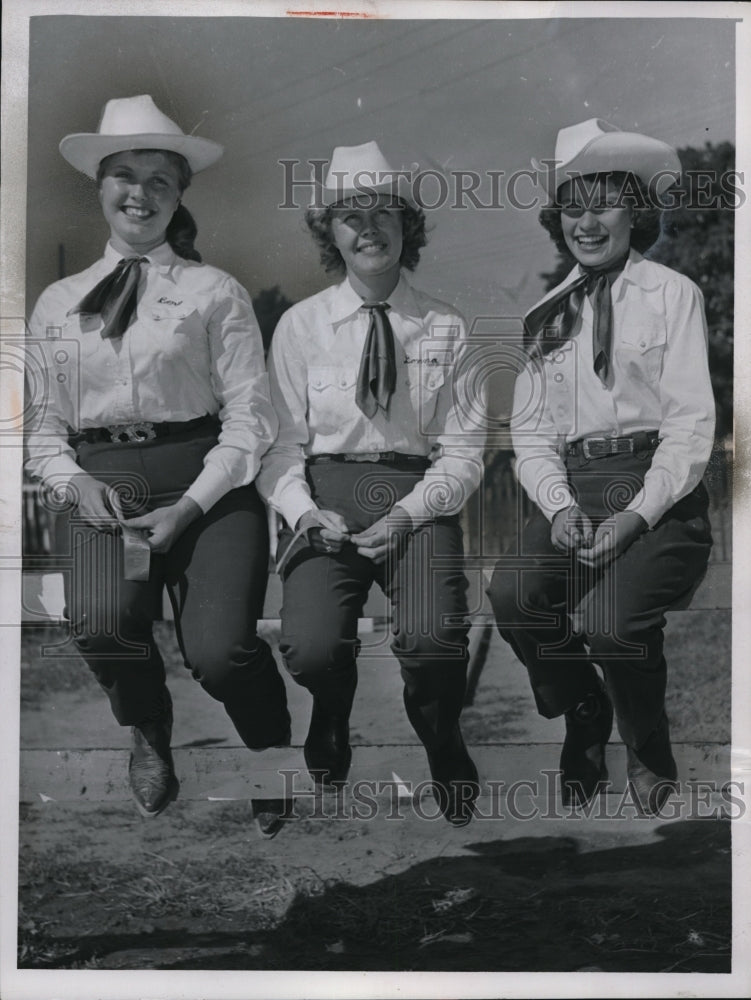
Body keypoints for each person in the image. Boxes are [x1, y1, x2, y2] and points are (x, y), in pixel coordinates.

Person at [24, 95, 290, 836]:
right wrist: (76, 482)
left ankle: (270, 752)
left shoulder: (215, 293)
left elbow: (251, 418)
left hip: (207, 480)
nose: (139, 194)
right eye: (123, 177)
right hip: (102, 480)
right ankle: (147, 726)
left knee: (220, 653)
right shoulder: (58, 304)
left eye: (159, 181)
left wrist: (192, 504)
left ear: (179, 196)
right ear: (99, 187)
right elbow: (43, 427)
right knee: (100, 621)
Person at [487, 119, 715, 815]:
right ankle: (582, 706)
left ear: (633, 210)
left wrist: (638, 513)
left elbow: (688, 422)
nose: (586, 222)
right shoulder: (540, 316)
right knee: (513, 597)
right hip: (576, 490)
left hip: (660, 496)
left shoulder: (671, 294)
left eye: (603, 203)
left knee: (610, 622)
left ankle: (646, 741)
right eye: (571, 207)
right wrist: (558, 506)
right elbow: (531, 436)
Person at [257, 141, 486, 826]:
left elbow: (465, 451)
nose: (368, 228)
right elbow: (278, 450)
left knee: (432, 637)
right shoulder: (300, 327)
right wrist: (304, 513)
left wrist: (410, 515)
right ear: (329, 233)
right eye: (349, 216)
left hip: (418, 496)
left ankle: (441, 734)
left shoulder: (445, 325)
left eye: (384, 212)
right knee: (312, 645)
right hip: (327, 496)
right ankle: (331, 709)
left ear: (406, 227)